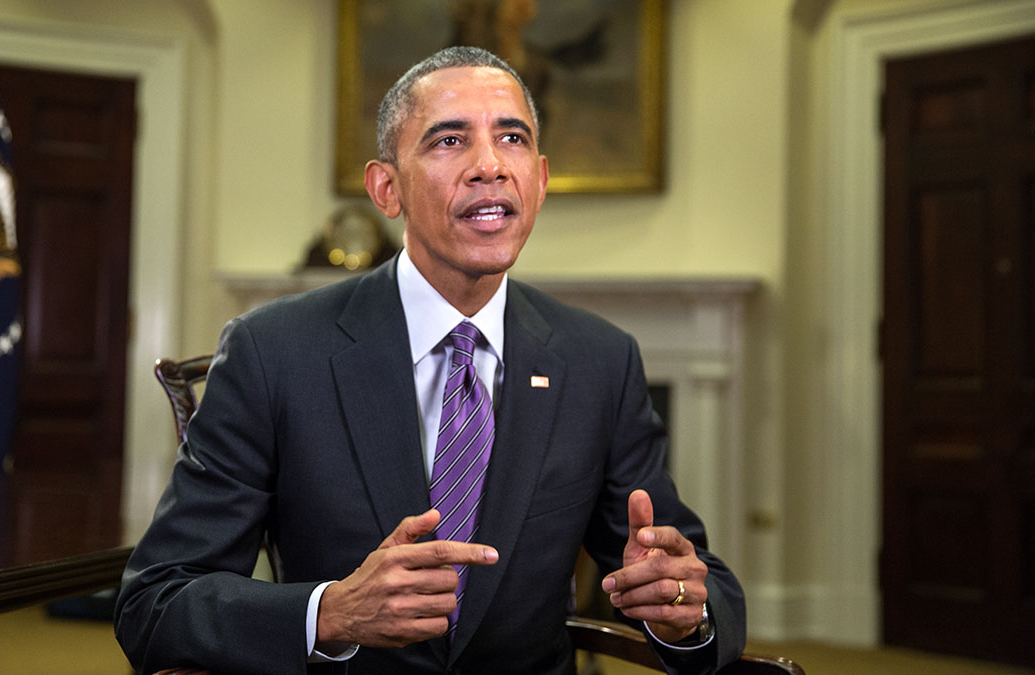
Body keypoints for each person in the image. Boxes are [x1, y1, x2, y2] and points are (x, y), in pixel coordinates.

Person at [115, 46, 746, 675]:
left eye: (512, 138)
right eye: (449, 140)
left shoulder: (600, 360)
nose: (490, 166)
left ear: (541, 180)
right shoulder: (273, 351)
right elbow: (155, 602)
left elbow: (699, 581)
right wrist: (329, 612)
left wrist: (682, 606)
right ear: (386, 188)